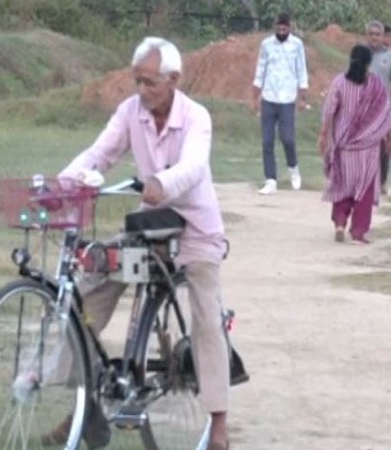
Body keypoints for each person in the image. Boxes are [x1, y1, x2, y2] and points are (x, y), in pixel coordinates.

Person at [50, 37, 233, 450]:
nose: (142, 91)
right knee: (91, 289)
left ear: (174, 80)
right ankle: (86, 406)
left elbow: (193, 167)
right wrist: (61, 185)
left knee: (207, 318)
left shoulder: (196, 117)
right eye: (138, 82)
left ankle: (219, 422)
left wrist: (160, 183)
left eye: (150, 83)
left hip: (196, 231)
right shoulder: (131, 112)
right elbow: (99, 155)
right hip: (149, 229)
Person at [317, 44, 391, 245]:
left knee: (342, 185)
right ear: (370, 63)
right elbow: (386, 116)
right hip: (368, 149)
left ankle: (340, 223)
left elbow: (329, 111)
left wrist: (323, 135)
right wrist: (390, 140)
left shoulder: (340, 82)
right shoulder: (377, 86)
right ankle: (358, 232)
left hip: (344, 146)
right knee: (364, 189)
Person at [252, 12, 309, 195]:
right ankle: (270, 180)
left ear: (289, 28)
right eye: (278, 29)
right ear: (275, 27)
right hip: (269, 97)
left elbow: (301, 70)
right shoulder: (267, 44)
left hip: (287, 99)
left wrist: (302, 97)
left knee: (287, 138)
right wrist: (255, 96)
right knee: (267, 141)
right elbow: (261, 68)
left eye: (284, 29)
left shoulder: (297, 45)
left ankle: (293, 168)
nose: (281, 32)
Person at [366, 20, 391, 196]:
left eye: (377, 34)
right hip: (361, 109)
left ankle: (381, 183)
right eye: (371, 34)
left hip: (382, 109)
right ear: (367, 35)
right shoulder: (360, 54)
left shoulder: (389, 57)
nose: (374, 37)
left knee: (383, 147)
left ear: (383, 37)